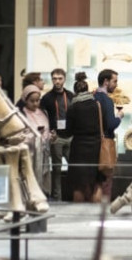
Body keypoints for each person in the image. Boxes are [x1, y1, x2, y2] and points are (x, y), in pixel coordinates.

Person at [65, 73, 103, 202]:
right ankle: (96, 217)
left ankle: (78, 216)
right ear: (87, 89)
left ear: (75, 91)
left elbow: (68, 132)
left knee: (78, 185)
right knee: (95, 184)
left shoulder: (72, 107)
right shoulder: (96, 105)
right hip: (96, 147)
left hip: (79, 148)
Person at [39, 68, 71, 201]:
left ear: (64, 79)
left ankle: (72, 196)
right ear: (52, 80)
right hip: (56, 137)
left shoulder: (70, 96)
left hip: (70, 136)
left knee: (74, 167)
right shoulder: (46, 98)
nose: (57, 81)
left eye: (60, 78)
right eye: (55, 79)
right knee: (56, 170)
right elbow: (42, 116)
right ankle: (57, 198)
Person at [92, 69, 121, 198]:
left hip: (93, 144)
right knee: (106, 182)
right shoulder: (107, 101)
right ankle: (104, 212)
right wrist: (119, 117)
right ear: (106, 81)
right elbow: (111, 125)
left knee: (96, 182)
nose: (116, 85)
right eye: (114, 81)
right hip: (105, 144)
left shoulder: (92, 97)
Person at [18, 85, 52, 193]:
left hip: (43, 153)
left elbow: (47, 133)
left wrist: (51, 136)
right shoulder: (21, 114)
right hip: (29, 154)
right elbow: (20, 136)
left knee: (42, 179)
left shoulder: (43, 113)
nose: (35, 104)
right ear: (25, 100)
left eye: (38, 100)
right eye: (32, 101)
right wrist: (35, 134)